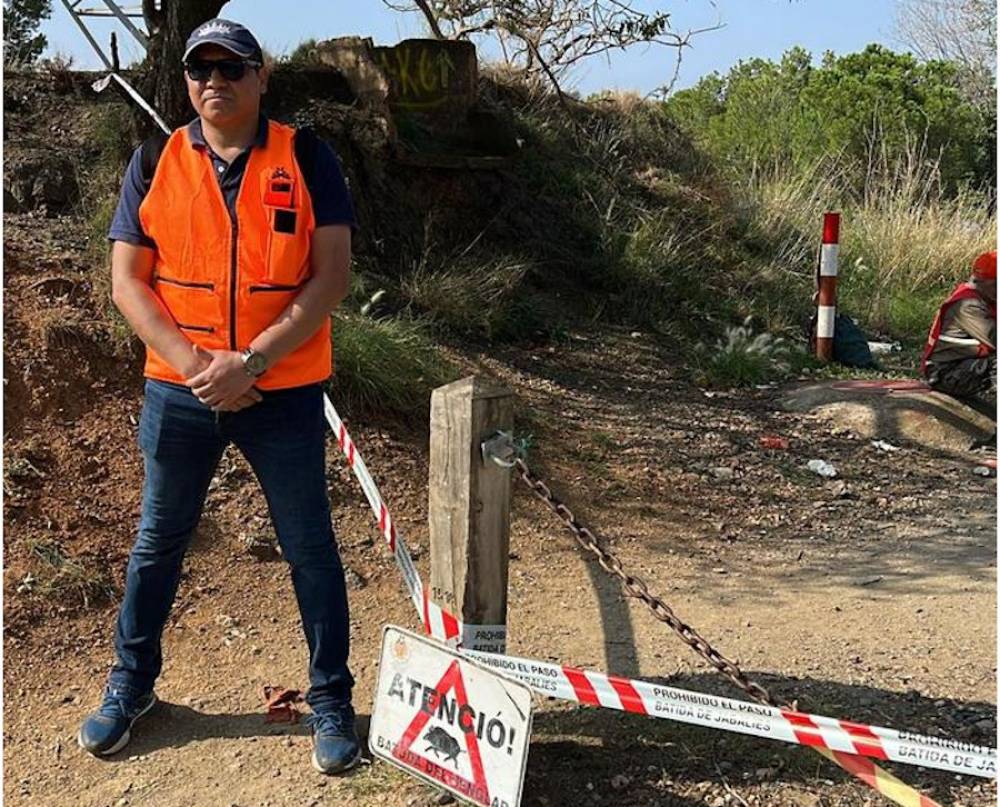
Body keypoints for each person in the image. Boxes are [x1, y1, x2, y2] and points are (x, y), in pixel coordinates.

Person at [77, 19, 361, 775]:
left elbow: (329, 275)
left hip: (286, 391)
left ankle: (331, 698)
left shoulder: (307, 156)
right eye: (201, 68)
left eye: (231, 68)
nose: (215, 82)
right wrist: (202, 366)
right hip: (180, 390)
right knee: (156, 545)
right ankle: (130, 686)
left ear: (260, 76)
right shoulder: (154, 159)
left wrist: (255, 362)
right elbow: (127, 282)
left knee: (310, 549)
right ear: (187, 80)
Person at [921, 250, 997, 411]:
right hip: (944, 373)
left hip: (965, 365)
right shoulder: (968, 305)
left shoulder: (985, 298)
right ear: (986, 281)